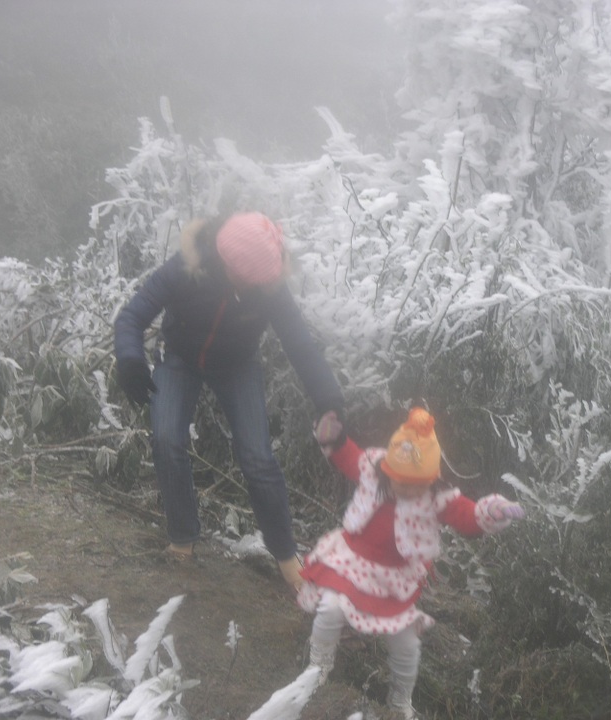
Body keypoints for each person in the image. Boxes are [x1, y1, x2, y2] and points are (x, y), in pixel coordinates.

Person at [113, 212, 344, 592]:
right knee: (167, 439)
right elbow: (134, 316)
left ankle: (286, 556)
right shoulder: (188, 266)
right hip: (180, 359)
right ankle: (182, 539)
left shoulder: (268, 284)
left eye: (258, 280)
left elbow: (300, 344)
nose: (250, 285)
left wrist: (329, 401)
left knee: (257, 457)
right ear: (224, 260)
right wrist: (130, 360)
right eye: (244, 277)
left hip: (237, 365)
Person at [300, 406, 524, 719]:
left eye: (415, 484)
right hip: (352, 562)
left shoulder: (436, 499)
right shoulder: (371, 468)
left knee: (407, 644)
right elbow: (348, 456)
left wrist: (492, 512)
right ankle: (318, 667)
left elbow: (468, 516)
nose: (405, 489)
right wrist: (334, 439)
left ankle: (400, 702)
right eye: (399, 481)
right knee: (330, 607)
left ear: (431, 481)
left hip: (394, 580)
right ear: (387, 470)